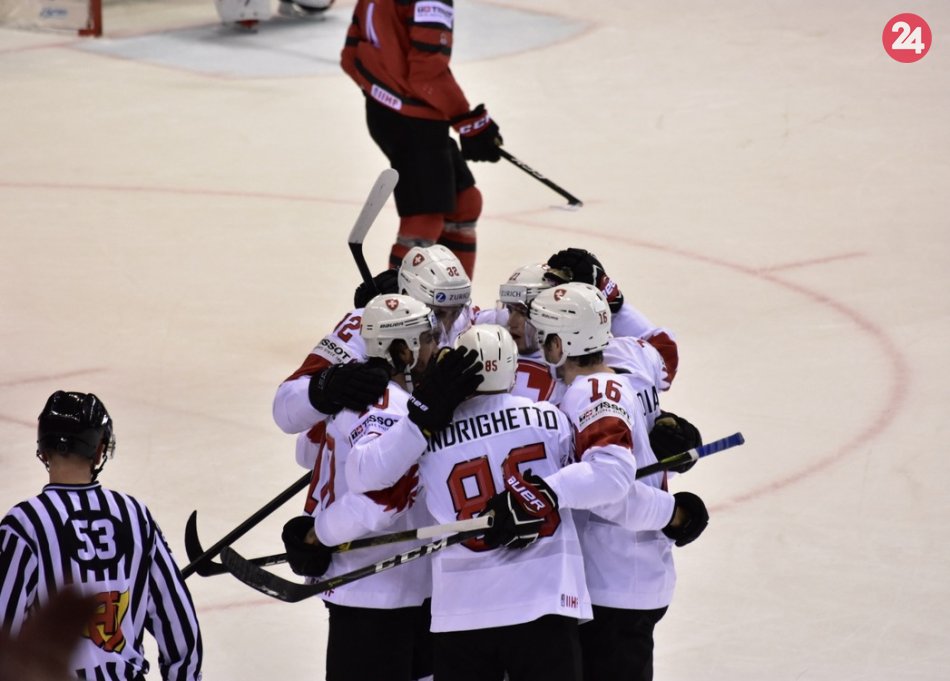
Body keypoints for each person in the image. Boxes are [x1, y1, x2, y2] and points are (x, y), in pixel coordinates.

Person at [282, 294, 482, 681]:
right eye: (427, 339)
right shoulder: (383, 403)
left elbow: (307, 451)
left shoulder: (379, 395)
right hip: (372, 592)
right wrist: (319, 534)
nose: (437, 345)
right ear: (402, 350)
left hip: (405, 590)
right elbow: (378, 498)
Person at [528, 284, 708, 681]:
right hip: (621, 578)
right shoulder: (615, 379)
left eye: (544, 336)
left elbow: (610, 483)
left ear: (559, 345)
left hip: (616, 581)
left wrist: (672, 513)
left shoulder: (593, 392)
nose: (538, 345)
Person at [0, 391, 203, 681]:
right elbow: (180, 626)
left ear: (43, 451)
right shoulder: (135, 515)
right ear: (99, 452)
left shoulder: (24, 525)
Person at [340, 0, 504, 277]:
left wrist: (384, 93)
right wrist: (468, 122)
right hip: (413, 121)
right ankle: (401, 303)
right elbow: (426, 74)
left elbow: (350, 57)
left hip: (387, 113)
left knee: (464, 203)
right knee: (424, 219)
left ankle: (456, 299)